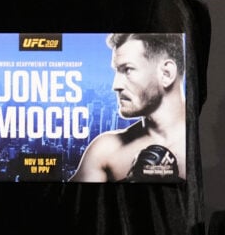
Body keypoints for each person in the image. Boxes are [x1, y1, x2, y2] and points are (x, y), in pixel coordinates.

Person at [71, 33, 186, 182]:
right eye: (117, 71)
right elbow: (69, 203)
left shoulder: (204, 144)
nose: (115, 86)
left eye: (128, 70)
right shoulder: (105, 152)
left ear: (166, 73)